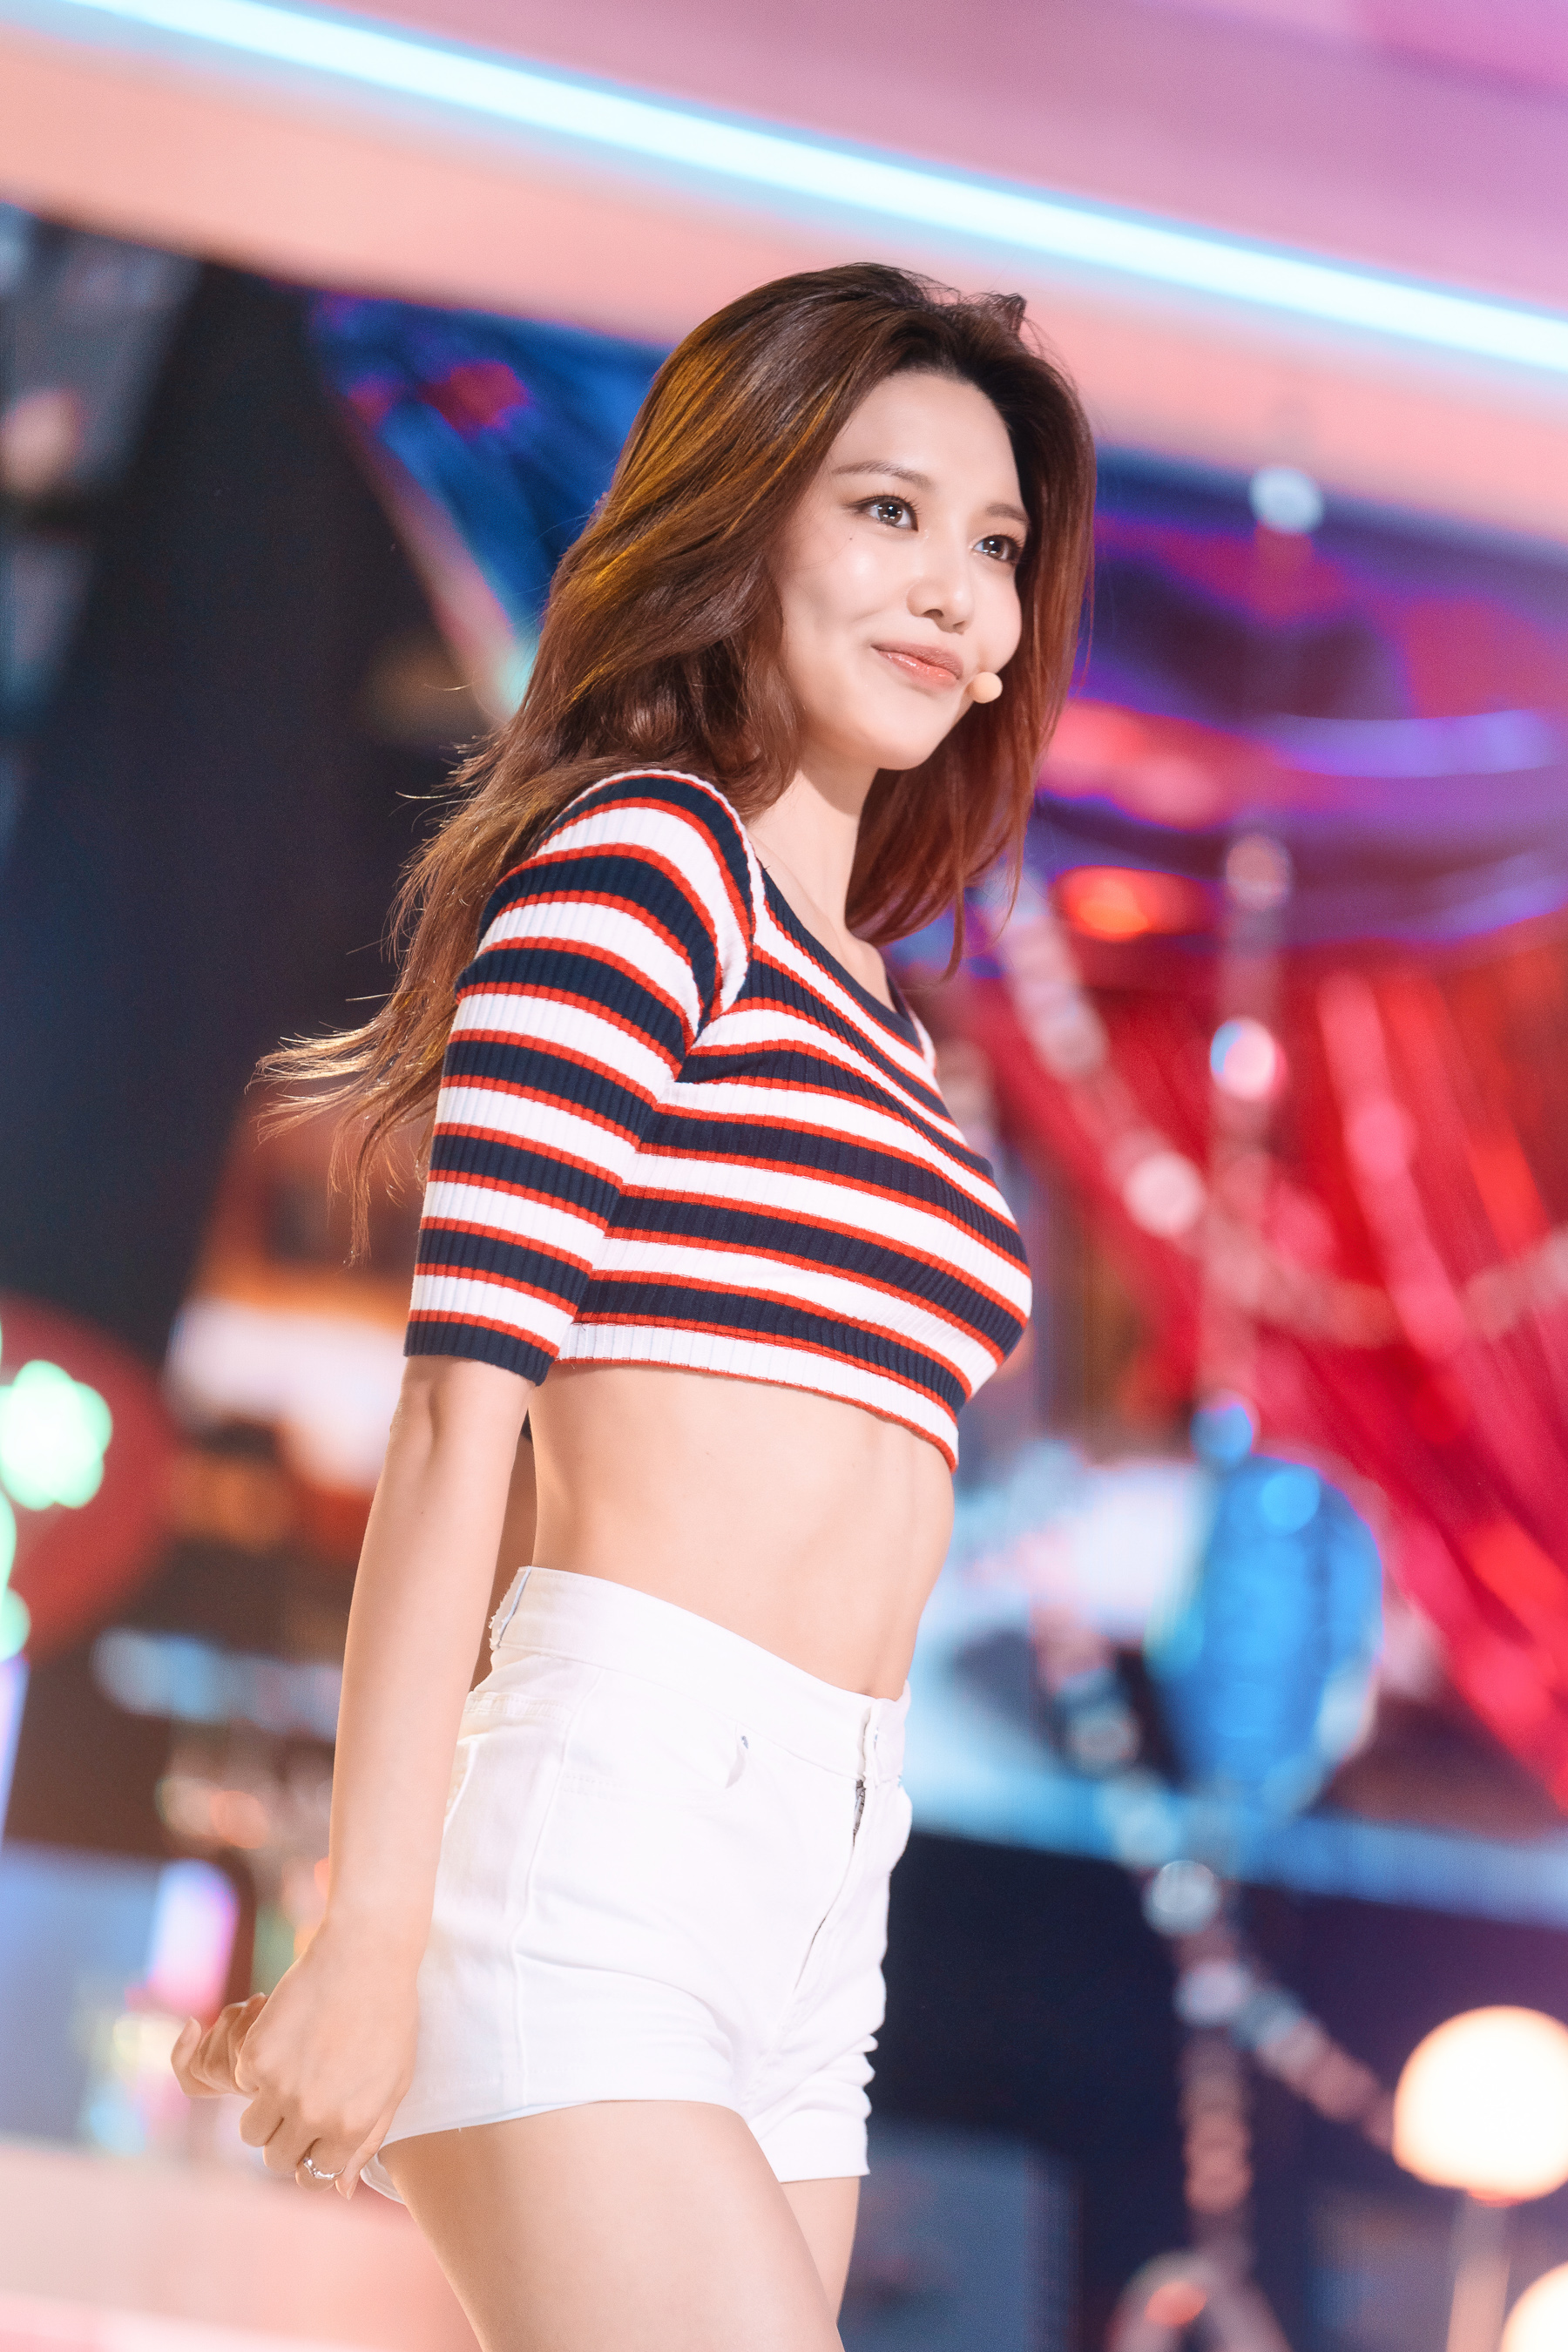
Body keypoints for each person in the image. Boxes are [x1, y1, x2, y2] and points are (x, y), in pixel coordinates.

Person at [173, 262, 1094, 2351]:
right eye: (887, 511)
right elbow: (456, 1415)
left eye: (995, 544)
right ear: (747, 519)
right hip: (612, 1830)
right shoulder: (641, 868)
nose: (954, 588)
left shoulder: (891, 1022)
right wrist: (369, 1929)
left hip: (827, 1881)